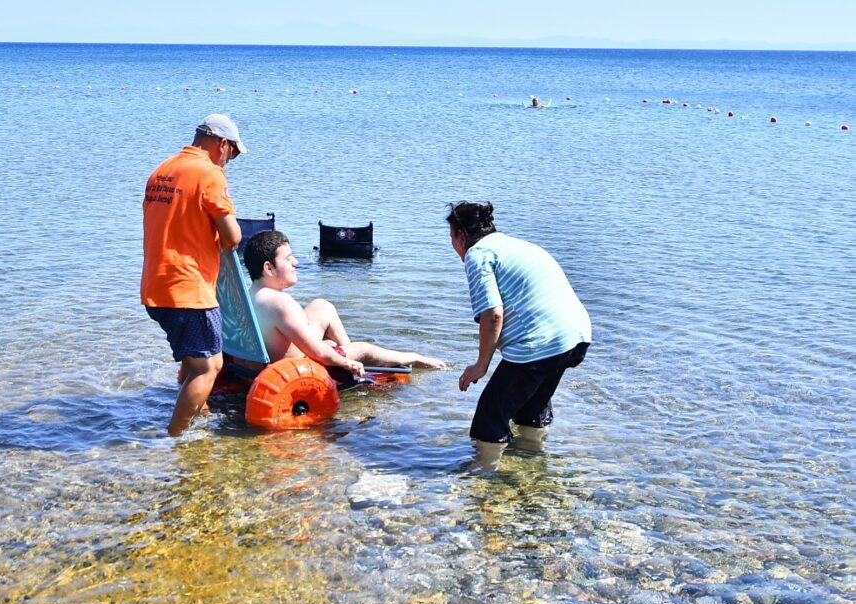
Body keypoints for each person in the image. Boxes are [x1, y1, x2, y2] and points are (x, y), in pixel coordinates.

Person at [447, 201, 591, 471]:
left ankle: (486, 479)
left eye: (451, 238)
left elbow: (493, 315)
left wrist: (481, 366)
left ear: (461, 236)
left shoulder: (478, 254)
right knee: (529, 413)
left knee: (488, 420)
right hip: (576, 336)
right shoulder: (518, 245)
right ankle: (532, 468)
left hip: (541, 343)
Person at [142, 114, 246, 435]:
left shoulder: (164, 169)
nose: (231, 161)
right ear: (222, 144)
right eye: (233, 153)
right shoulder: (209, 174)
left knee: (192, 361)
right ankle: (174, 437)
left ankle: (202, 418)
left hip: (156, 286)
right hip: (189, 289)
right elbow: (233, 237)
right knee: (209, 367)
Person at [244, 230, 446, 377]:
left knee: (322, 306)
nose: (296, 262)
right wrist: (345, 361)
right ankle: (414, 358)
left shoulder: (249, 294)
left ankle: (345, 348)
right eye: (288, 259)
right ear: (269, 268)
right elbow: (317, 353)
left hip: (271, 354)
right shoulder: (281, 302)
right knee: (364, 349)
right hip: (290, 366)